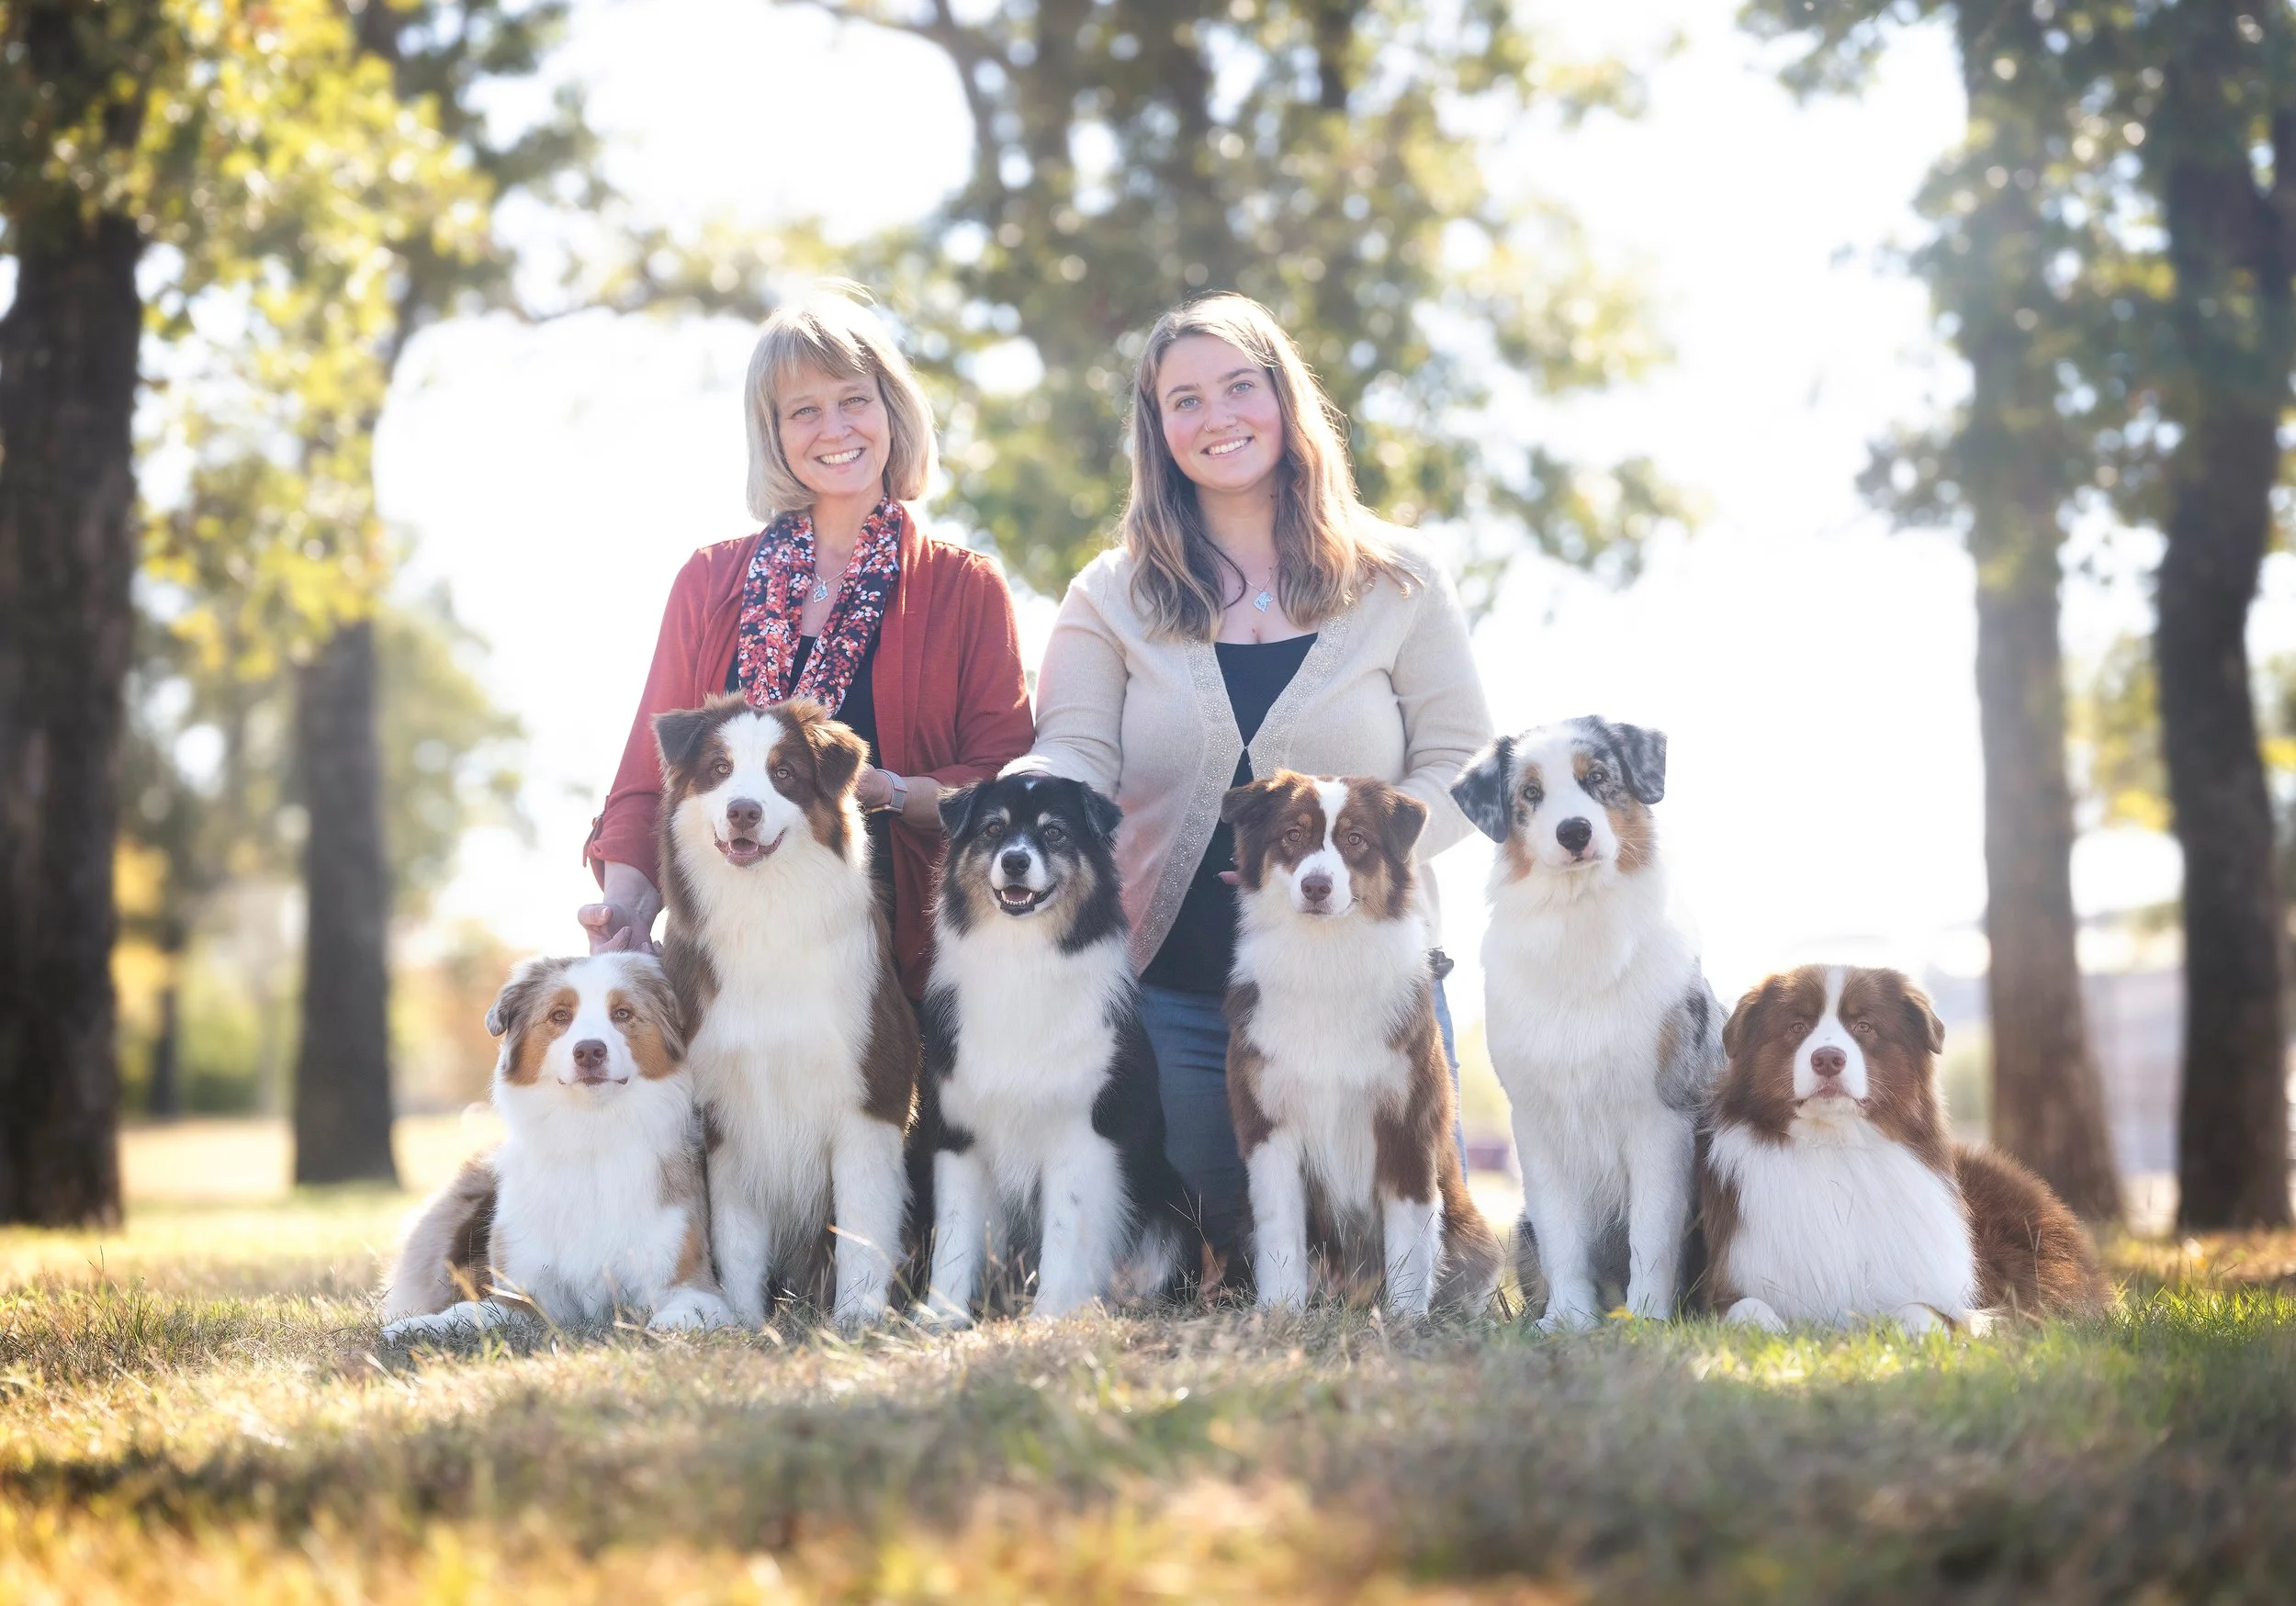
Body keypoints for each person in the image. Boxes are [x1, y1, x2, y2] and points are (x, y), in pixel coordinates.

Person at [1008, 293, 1493, 1261]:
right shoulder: (1111, 595)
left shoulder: (1397, 580)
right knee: (1218, 1247)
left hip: (1373, 989)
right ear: (1157, 429)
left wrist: (1363, 868)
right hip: (1178, 998)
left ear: (1284, 399)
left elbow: (1465, 761)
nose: (1217, 416)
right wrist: (1023, 787)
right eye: (1183, 400)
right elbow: (1076, 751)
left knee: (1389, 1249)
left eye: (1240, 386)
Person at [580, 289, 1032, 1003]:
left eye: (854, 399)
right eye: (804, 410)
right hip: (723, 977)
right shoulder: (708, 581)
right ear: (776, 434)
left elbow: (1007, 786)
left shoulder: (964, 588)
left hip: (902, 974)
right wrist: (631, 910)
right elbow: (647, 781)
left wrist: (888, 790)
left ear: (892, 410)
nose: (834, 428)